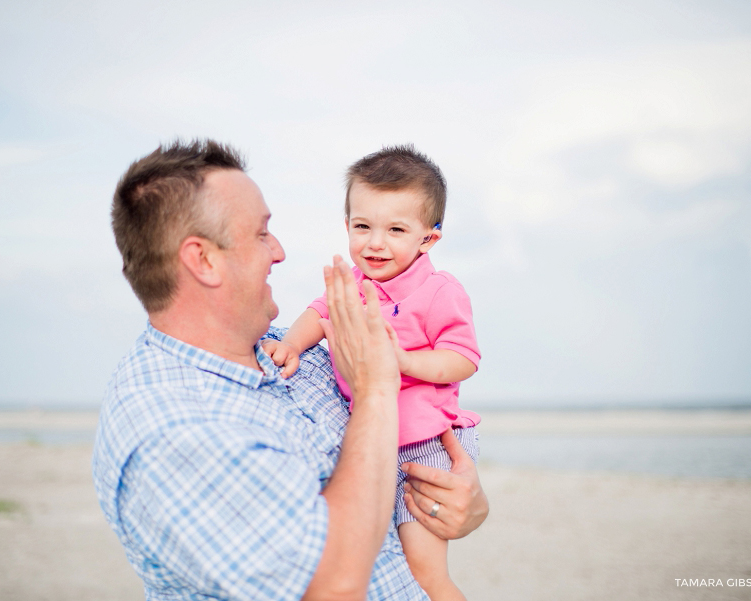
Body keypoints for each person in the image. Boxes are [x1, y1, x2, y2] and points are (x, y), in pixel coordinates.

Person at [92, 139, 489, 601]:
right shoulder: (172, 430)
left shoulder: (290, 354)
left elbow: (418, 427)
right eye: (261, 233)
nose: (279, 252)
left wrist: (467, 504)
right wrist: (378, 386)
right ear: (202, 260)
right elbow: (331, 586)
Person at [262, 145, 479, 600]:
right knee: (385, 554)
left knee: (425, 571)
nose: (375, 243)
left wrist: (405, 362)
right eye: (362, 227)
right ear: (347, 227)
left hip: (425, 443)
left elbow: (463, 357)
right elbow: (319, 313)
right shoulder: (353, 286)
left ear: (428, 238)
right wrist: (290, 344)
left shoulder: (438, 291)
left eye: (396, 230)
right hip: (376, 439)